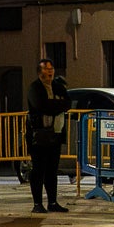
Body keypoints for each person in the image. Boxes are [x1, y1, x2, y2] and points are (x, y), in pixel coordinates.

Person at [25, 56, 71, 213]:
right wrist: (57, 105)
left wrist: (55, 105)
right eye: (46, 69)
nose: (50, 71)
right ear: (40, 72)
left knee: (52, 169)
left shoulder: (58, 86)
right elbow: (40, 105)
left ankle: (53, 202)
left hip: (56, 134)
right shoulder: (34, 88)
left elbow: (67, 103)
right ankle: (37, 203)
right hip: (38, 135)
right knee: (38, 169)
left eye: (51, 68)